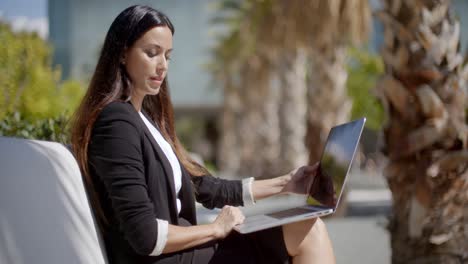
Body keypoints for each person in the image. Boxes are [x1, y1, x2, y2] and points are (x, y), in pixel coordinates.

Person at [71, 5, 335, 264]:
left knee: (308, 227)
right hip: (166, 258)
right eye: (152, 53)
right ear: (122, 54)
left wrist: (286, 184)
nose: (163, 65)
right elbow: (145, 236)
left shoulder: (145, 121)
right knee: (308, 233)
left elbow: (207, 187)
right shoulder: (116, 121)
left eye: (168, 56)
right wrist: (216, 229)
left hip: (182, 251)